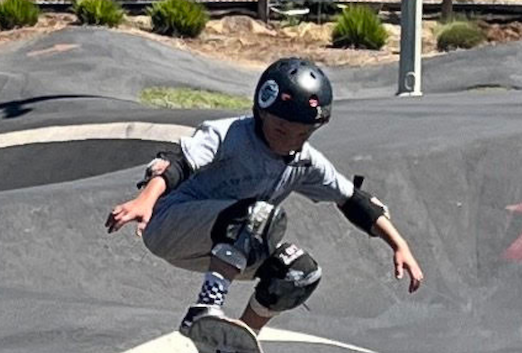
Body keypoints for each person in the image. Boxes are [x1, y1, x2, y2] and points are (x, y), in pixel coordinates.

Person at [104, 57, 424, 336]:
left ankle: (239, 340)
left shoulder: (305, 161)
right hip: (171, 223)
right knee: (260, 217)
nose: (290, 141)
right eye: (282, 129)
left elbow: (354, 201)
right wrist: (146, 200)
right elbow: (176, 164)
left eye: (303, 134)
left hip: (222, 249)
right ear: (261, 112)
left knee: (299, 270)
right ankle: (205, 309)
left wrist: (399, 245)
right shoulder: (229, 135)